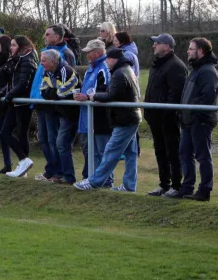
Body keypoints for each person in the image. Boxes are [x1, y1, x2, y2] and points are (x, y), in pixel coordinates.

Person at [74, 48, 141, 192]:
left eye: (108, 59)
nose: (106, 62)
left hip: (125, 119)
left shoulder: (119, 73)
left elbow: (112, 95)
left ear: (114, 59)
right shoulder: (126, 70)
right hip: (132, 117)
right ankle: (129, 186)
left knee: (111, 151)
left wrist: (94, 96)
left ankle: (95, 182)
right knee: (131, 153)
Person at [30, 24, 76, 181]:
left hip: (54, 106)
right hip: (42, 102)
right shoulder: (45, 55)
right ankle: (51, 170)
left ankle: (59, 172)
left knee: (54, 139)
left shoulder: (65, 54)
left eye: (48, 34)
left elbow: (62, 88)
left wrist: (51, 95)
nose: (45, 37)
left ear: (57, 37)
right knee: (43, 138)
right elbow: (43, 84)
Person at [145, 33, 188, 198]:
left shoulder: (175, 66)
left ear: (167, 46)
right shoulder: (157, 65)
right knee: (160, 151)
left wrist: (166, 116)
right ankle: (164, 184)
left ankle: (176, 186)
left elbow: (175, 95)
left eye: (157, 43)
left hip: (168, 120)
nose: (153, 46)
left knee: (172, 152)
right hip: (155, 118)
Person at [179, 38, 218, 201]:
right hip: (189, 120)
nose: (188, 51)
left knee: (203, 155)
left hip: (200, 120)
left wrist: (193, 113)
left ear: (200, 51)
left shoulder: (208, 71)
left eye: (191, 48)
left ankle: (205, 190)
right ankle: (187, 187)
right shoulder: (196, 69)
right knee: (185, 153)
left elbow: (208, 96)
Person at [0, 35, 38, 177]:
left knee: (17, 132)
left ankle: (23, 162)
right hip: (15, 101)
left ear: (20, 46)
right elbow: (12, 82)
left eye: (13, 45)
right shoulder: (17, 59)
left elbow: (22, 83)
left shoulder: (27, 60)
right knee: (7, 132)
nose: (10, 48)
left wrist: (8, 96)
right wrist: (2, 92)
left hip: (22, 102)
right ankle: (23, 162)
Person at [74, 39, 112, 186]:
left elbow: (105, 91)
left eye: (89, 52)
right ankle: (94, 179)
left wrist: (87, 97)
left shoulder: (104, 67)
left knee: (102, 151)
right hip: (87, 116)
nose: (87, 55)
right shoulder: (92, 67)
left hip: (99, 117)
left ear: (97, 52)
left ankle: (106, 181)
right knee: (90, 150)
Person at [39, 49, 81, 184]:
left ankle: (68, 176)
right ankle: (63, 175)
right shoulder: (47, 71)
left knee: (62, 144)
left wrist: (52, 93)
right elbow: (43, 92)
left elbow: (62, 93)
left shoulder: (66, 71)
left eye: (44, 61)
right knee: (58, 143)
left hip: (72, 113)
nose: (41, 63)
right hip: (61, 112)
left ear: (52, 61)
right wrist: (53, 93)